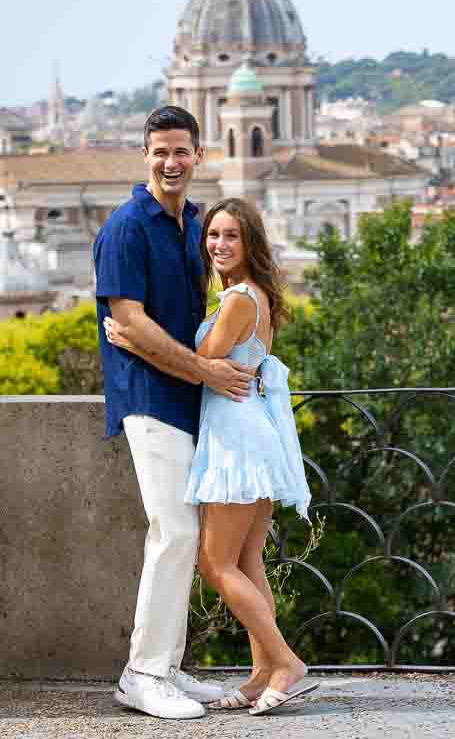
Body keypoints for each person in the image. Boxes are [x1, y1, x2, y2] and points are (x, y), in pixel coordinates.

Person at [104, 197, 317, 716]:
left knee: (215, 562)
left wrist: (134, 343)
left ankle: (286, 662)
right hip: (252, 435)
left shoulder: (240, 300)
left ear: (251, 244)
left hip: (236, 441)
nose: (218, 244)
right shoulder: (253, 295)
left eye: (231, 236)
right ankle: (261, 674)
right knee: (247, 562)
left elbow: (199, 363)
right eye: (213, 235)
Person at [94, 106, 255, 721]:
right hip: (148, 398)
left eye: (181, 151)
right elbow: (129, 322)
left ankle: (165, 666)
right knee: (175, 532)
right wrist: (204, 370)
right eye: (160, 151)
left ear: (198, 156)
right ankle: (141, 674)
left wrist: (203, 368)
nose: (171, 162)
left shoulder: (195, 224)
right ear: (145, 156)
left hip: (186, 398)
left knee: (185, 536)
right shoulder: (126, 227)